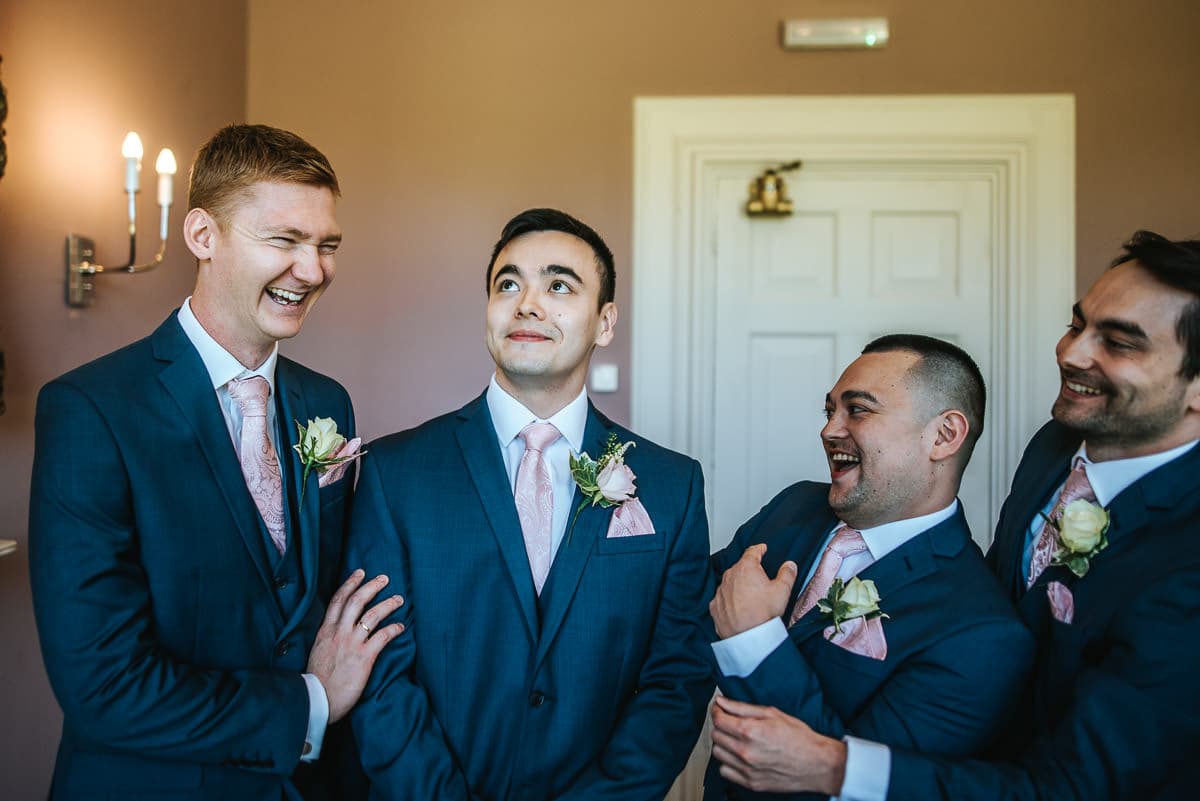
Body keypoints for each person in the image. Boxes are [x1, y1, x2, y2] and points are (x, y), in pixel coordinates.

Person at [708, 230, 1200, 801]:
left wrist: (834, 764)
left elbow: (1074, 785)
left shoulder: (1185, 565)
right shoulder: (1056, 446)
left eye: (1118, 342)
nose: (1070, 353)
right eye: (1076, 325)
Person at [30, 124, 403, 801]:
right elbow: (104, 686)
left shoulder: (327, 401)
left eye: (327, 245)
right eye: (285, 241)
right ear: (203, 236)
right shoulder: (91, 410)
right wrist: (311, 703)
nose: (314, 270)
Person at [346, 208, 714, 800]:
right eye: (508, 284)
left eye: (559, 286)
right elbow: (381, 671)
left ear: (605, 322)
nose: (527, 305)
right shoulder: (395, 472)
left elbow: (678, 676)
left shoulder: (673, 486)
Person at [706, 335, 1034, 800]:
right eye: (829, 411)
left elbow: (843, 783)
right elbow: (693, 608)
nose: (829, 430)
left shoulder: (980, 633)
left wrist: (756, 639)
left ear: (943, 435)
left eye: (858, 410)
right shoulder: (795, 506)